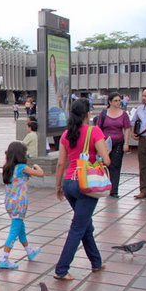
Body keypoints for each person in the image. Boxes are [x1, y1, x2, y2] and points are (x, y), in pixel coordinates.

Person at [53, 98, 110, 281]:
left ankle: (96, 261)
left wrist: (58, 185)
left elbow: (61, 162)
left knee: (85, 225)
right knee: (78, 227)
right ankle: (61, 269)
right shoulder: (95, 131)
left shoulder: (66, 134)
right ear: (88, 114)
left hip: (70, 183)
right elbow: (106, 160)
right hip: (87, 185)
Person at [0, 141, 44, 269]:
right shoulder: (22, 168)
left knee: (20, 229)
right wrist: (36, 165)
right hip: (19, 204)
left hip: (9, 203)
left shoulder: (7, 167)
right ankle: (4, 258)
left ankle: (29, 251)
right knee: (14, 231)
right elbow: (40, 174)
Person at [95, 93, 131, 198]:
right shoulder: (104, 113)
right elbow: (98, 128)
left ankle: (114, 190)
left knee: (116, 165)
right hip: (105, 143)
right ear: (110, 102)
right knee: (105, 164)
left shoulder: (123, 114)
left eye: (119, 100)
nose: (118, 103)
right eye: (115, 100)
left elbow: (127, 128)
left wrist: (126, 143)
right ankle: (105, 185)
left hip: (118, 142)